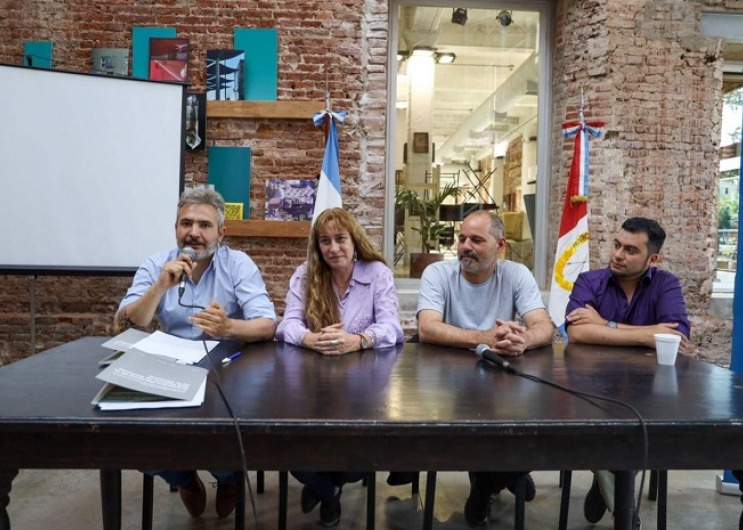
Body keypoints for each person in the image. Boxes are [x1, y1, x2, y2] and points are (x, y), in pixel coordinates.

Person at [114, 186, 276, 520]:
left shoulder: (238, 265)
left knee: (225, 435)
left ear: (221, 232)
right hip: (168, 366)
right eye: (186, 223)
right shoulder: (157, 264)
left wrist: (229, 327)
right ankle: (183, 476)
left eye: (204, 225)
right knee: (133, 437)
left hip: (226, 370)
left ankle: (227, 476)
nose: (193, 233)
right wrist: (160, 287)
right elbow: (124, 325)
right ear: (176, 228)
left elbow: (267, 323)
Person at [416, 210, 553, 530]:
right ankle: (505, 474)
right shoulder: (437, 273)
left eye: (477, 240)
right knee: (470, 432)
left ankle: (485, 485)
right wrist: (485, 338)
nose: (465, 246)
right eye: (462, 238)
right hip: (446, 380)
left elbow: (544, 327)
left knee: (544, 434)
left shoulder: (516, 274)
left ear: (500, 245)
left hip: (503, 377)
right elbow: (427, 329)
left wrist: (522, 340)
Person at [275, 207, 404, 526]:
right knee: (290, 450)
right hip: (311, 387)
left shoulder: (377, 273)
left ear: (354, 239)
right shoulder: (306, 274)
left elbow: (393, 328)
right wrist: (309, 339)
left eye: (340, 239)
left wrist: (358, 340)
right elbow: (285, 324)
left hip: (364, 388)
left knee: (357, 463)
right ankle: (328, 491)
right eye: (325, 241)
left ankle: (323, 487)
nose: (333, 248)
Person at [565, 217, 690, 524]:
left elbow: (675, 337)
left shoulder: (666, 284)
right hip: (592, 386)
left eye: (631, 250)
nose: (618, 255)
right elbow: (578, 333)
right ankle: (624, 511)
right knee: (592, 425)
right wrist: (648, 333)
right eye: (617, 245)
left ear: (653, 259)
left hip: (650, 388)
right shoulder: (590, 281)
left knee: (637, 427)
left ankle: (606, 479)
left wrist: (605, 325)